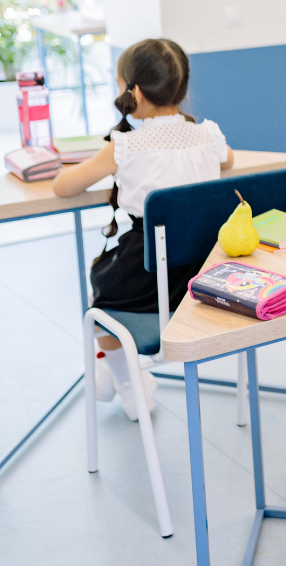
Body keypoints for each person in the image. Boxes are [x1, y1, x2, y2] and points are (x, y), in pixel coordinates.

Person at [53, 38, 232, 419]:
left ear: (133, 92)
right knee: (111, 289)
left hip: (145, 274)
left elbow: (62, 187)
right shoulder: (209, 134)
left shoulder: (124, 146)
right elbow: (228, 161)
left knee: (101, 299)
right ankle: (115, 376)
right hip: (201, 273)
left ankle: (130, 386)